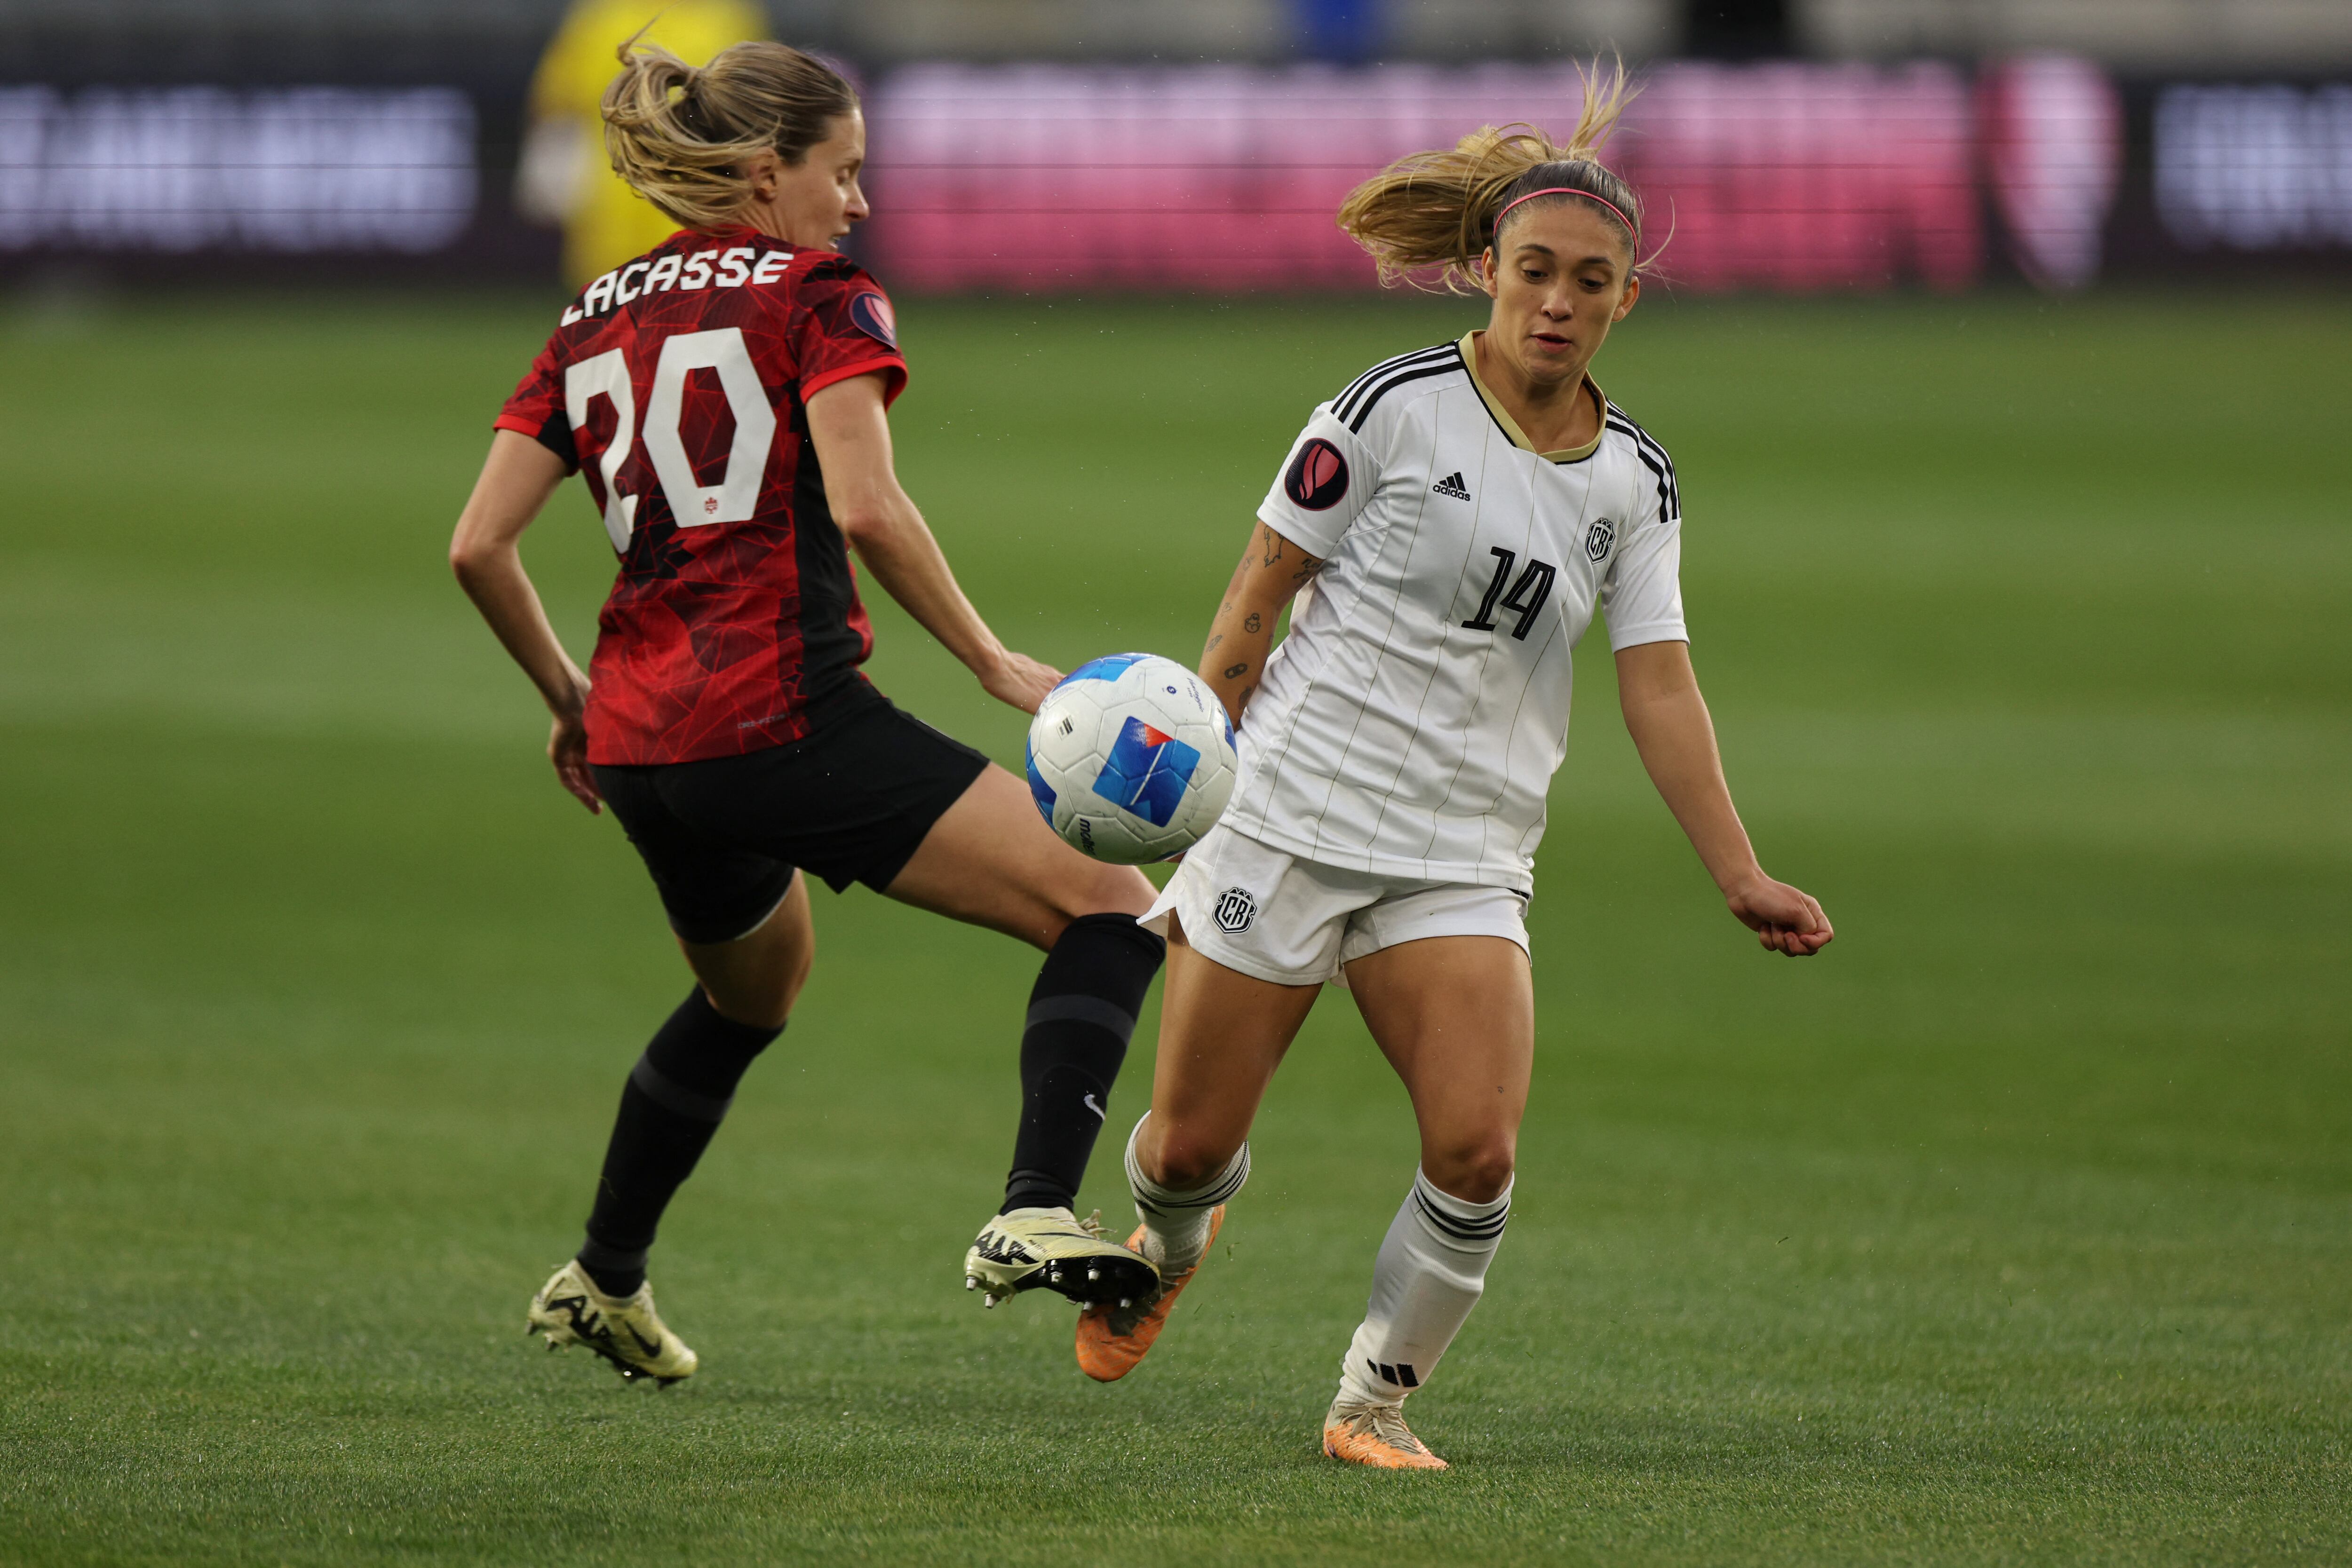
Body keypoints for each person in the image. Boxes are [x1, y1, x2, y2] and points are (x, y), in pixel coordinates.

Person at [1069, 70, 1834, 1467]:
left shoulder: (1635, 484)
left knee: (1478, 1153)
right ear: (1483, 270)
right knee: (1183, 1148)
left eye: (1588, 282)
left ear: (1624, 304)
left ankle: (1373, 1402)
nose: (1556, 299)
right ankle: (1171, 1245)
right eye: (1533, 270)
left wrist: (1740, 869)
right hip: (1292, 814)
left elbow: (1656, 678)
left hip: (1463, 849)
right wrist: (1197, 770)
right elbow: (1259, 589)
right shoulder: (1389, 405)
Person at [449, 35, 1164, 1387]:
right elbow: (870, 505)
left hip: (644, 746)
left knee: (752, 990)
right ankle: (1029, 1210)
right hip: (781, 716)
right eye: (845, 172)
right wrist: (996, 663)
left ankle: (603, 1278)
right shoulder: (820, 294)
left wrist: (568, 703)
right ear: (768, 172)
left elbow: (478, 546)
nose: (860, 203)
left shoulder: (593, 313)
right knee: (1108, 907)